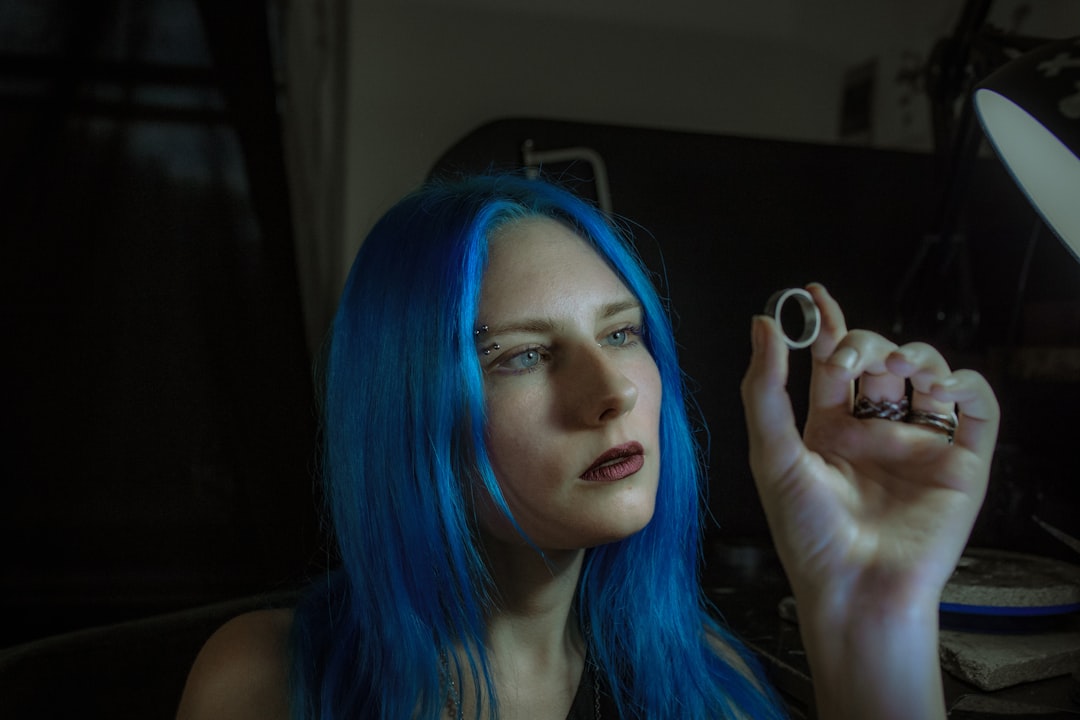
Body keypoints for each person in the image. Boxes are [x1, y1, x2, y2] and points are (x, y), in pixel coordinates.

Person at [176, 173, 999, 720]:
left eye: (622, 333)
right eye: (524, 356)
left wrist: (872, 612)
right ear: (407, 412)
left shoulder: (707, 687)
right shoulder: (264, 683)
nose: (613, 392)